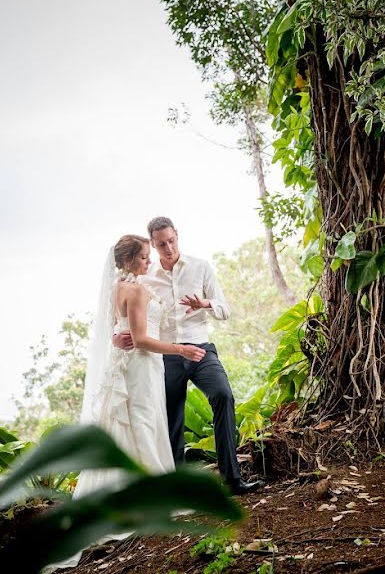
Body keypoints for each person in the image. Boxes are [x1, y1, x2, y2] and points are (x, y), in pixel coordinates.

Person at [43, 234, 206, 572]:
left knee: (135, 425)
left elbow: (119, 330)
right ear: (130, 260)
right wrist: (182, 349)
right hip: (141, 367)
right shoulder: (134, 290)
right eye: (144, 257)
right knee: (143, 424)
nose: (149, 262)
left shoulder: (119, 287)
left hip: (131, 366)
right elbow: (143, 340)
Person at [114, 217, 265, 496]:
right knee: (170, 417)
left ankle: (232, 479)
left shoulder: (200, 267)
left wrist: (205, 303)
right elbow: (125, 314)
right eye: (161, 244)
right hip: (165, 354)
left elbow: (224, 310)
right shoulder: (145, 274)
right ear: (153, 244)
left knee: (223, 396)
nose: (168, 248)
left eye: (171, 241)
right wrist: (118, 336)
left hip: (200, 348)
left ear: (177, 236)